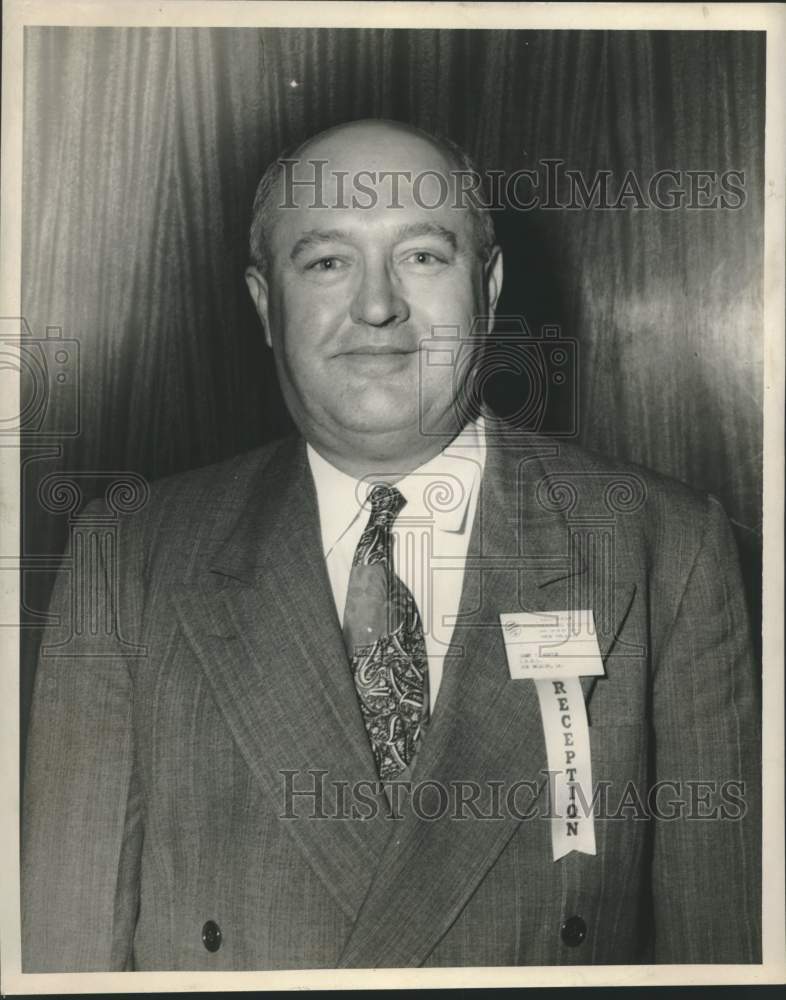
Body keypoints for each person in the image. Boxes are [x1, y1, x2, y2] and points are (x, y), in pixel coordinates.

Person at [21, 119, 761, 970]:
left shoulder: (668, 549)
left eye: (422, 256)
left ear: (487, 287)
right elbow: (67, 953)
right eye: (328, 261)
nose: (377, 306)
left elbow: (723, 956)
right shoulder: (129, 557)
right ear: (267, 305)